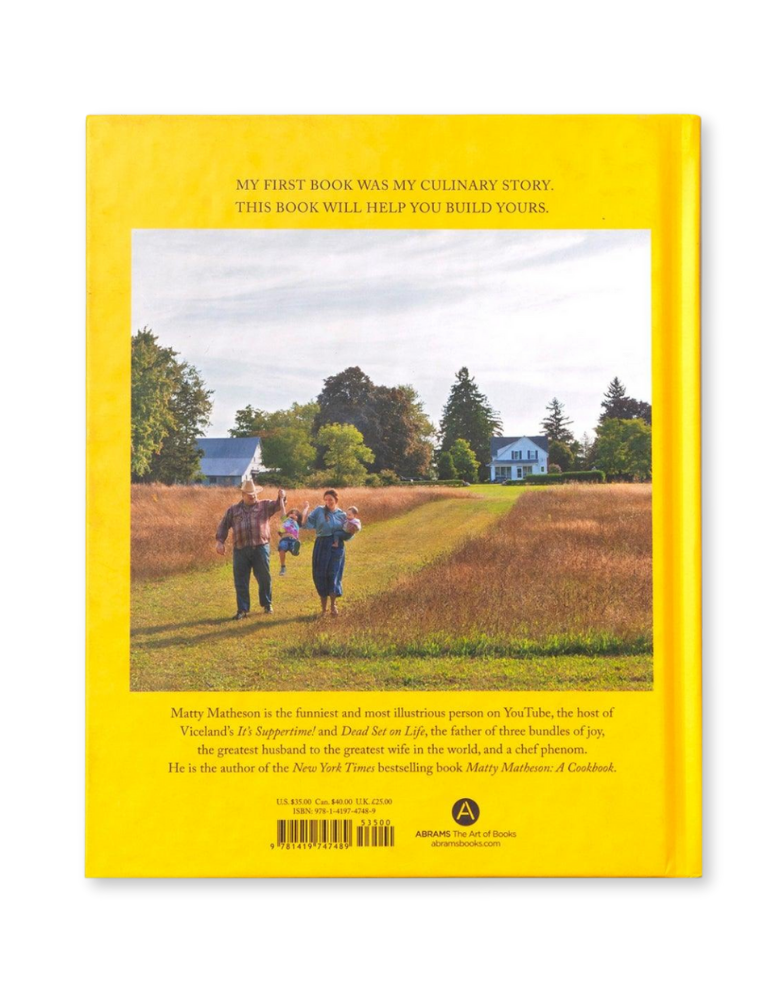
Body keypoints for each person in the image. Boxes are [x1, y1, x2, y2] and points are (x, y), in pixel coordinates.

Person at [215, 481, 286, 619]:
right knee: (240, 580)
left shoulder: (265, 505)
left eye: (254, 494)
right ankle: (242, 610)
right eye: (249, 494)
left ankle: (267, 604)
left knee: (264, 578)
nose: (252, 496)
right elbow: (223, 525)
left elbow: (279, 505)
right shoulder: (233, 510)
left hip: (260, 547)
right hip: (240, 549)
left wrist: (282, 496)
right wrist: (220, 542)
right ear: (243, 495)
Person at [300, 489, 353, 616]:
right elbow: (305, 524)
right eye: (326, 499)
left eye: (331, 499)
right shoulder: (319, 511)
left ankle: (333, 606)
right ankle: (323, 609)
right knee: (321, 575)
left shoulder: (342, 515)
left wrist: (352, 531)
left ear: (336, 500)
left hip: (337, 547)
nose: (328, 502)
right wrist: (305, 509)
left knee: (334, 575)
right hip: (322, 545)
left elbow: (348, 535)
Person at [277, 508, 303, 576]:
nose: (293, 515)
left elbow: (303, 515)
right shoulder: (285, 520)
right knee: (282, 547)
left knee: (294, 547)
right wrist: (282, 499)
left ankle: (294, 551)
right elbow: (282, 509)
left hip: (293, 539)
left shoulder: (296, 523)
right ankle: (283, 567)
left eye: (295, 514)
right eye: (291, 513)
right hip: (285, 539)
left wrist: (306, 507)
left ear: (297, 518)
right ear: (288, 515)